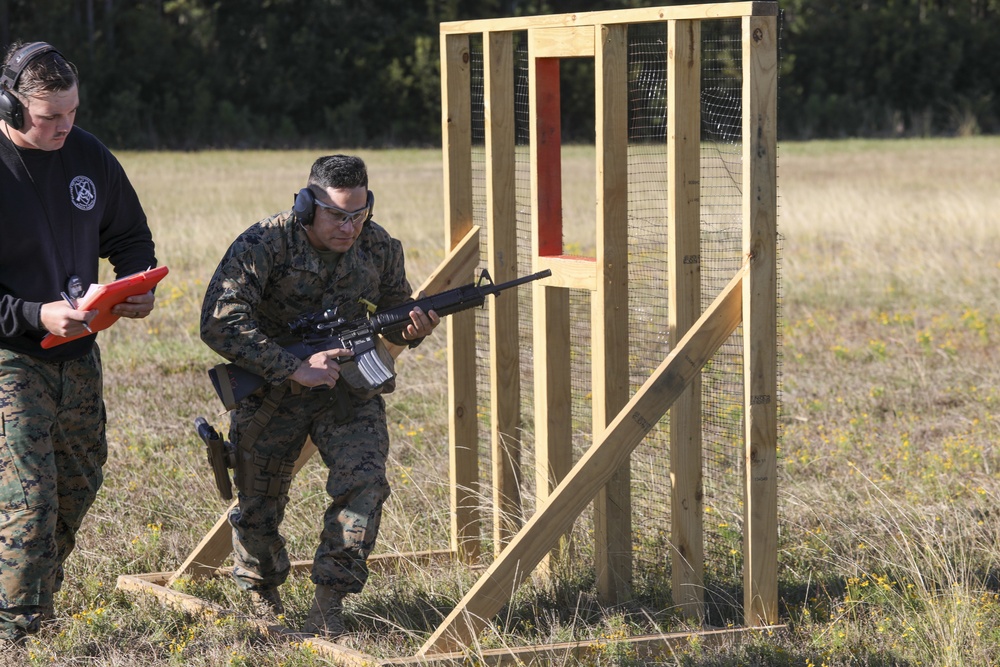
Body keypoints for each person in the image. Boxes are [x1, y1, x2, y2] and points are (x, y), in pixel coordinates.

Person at [200, 154, 438, 638]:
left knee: (364, 484)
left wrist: (415, 328)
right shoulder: (265, 242)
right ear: (308, 205)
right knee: (259, 505)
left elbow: (396, 309)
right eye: (336, 215)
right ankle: (263, 593)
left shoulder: (379, 246)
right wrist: (293, 367)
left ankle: (330, 601)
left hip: (348, 393)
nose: (349, 227)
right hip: (271, 393)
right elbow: (219, 321)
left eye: (358, 213)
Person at [0, 41, 157, 645]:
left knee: (80, 481)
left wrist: (136, 283)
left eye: (72, 112)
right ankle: (15, 632)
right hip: (12, 356)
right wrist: (35, 314)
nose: (65, 126)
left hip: (79, 350)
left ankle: (34, 588)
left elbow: (131, 234)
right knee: (29, 499)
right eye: (49, 116)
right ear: (11, 108)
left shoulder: (87, 154)